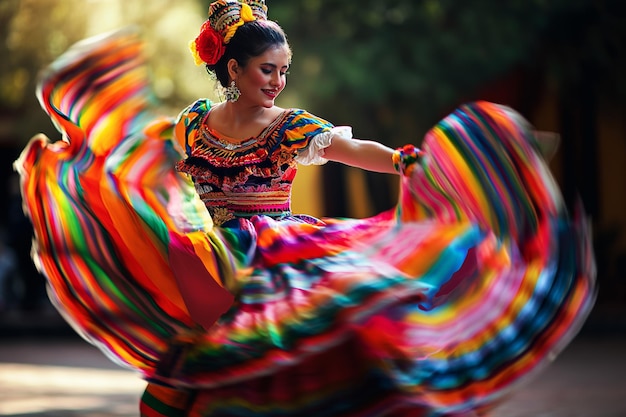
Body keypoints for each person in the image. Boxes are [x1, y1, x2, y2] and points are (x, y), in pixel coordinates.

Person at [15, 1, 595, 416]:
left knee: (321, 335)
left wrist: (401, 162)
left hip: (275, 250)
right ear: (233, 70)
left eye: (283, 70)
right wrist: (112, 153)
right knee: (202, 360)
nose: (278, 80)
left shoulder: (293, 127)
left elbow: (350, 149)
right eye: (268, 69)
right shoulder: (193, 123)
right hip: (209, 253)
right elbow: (157, 149)